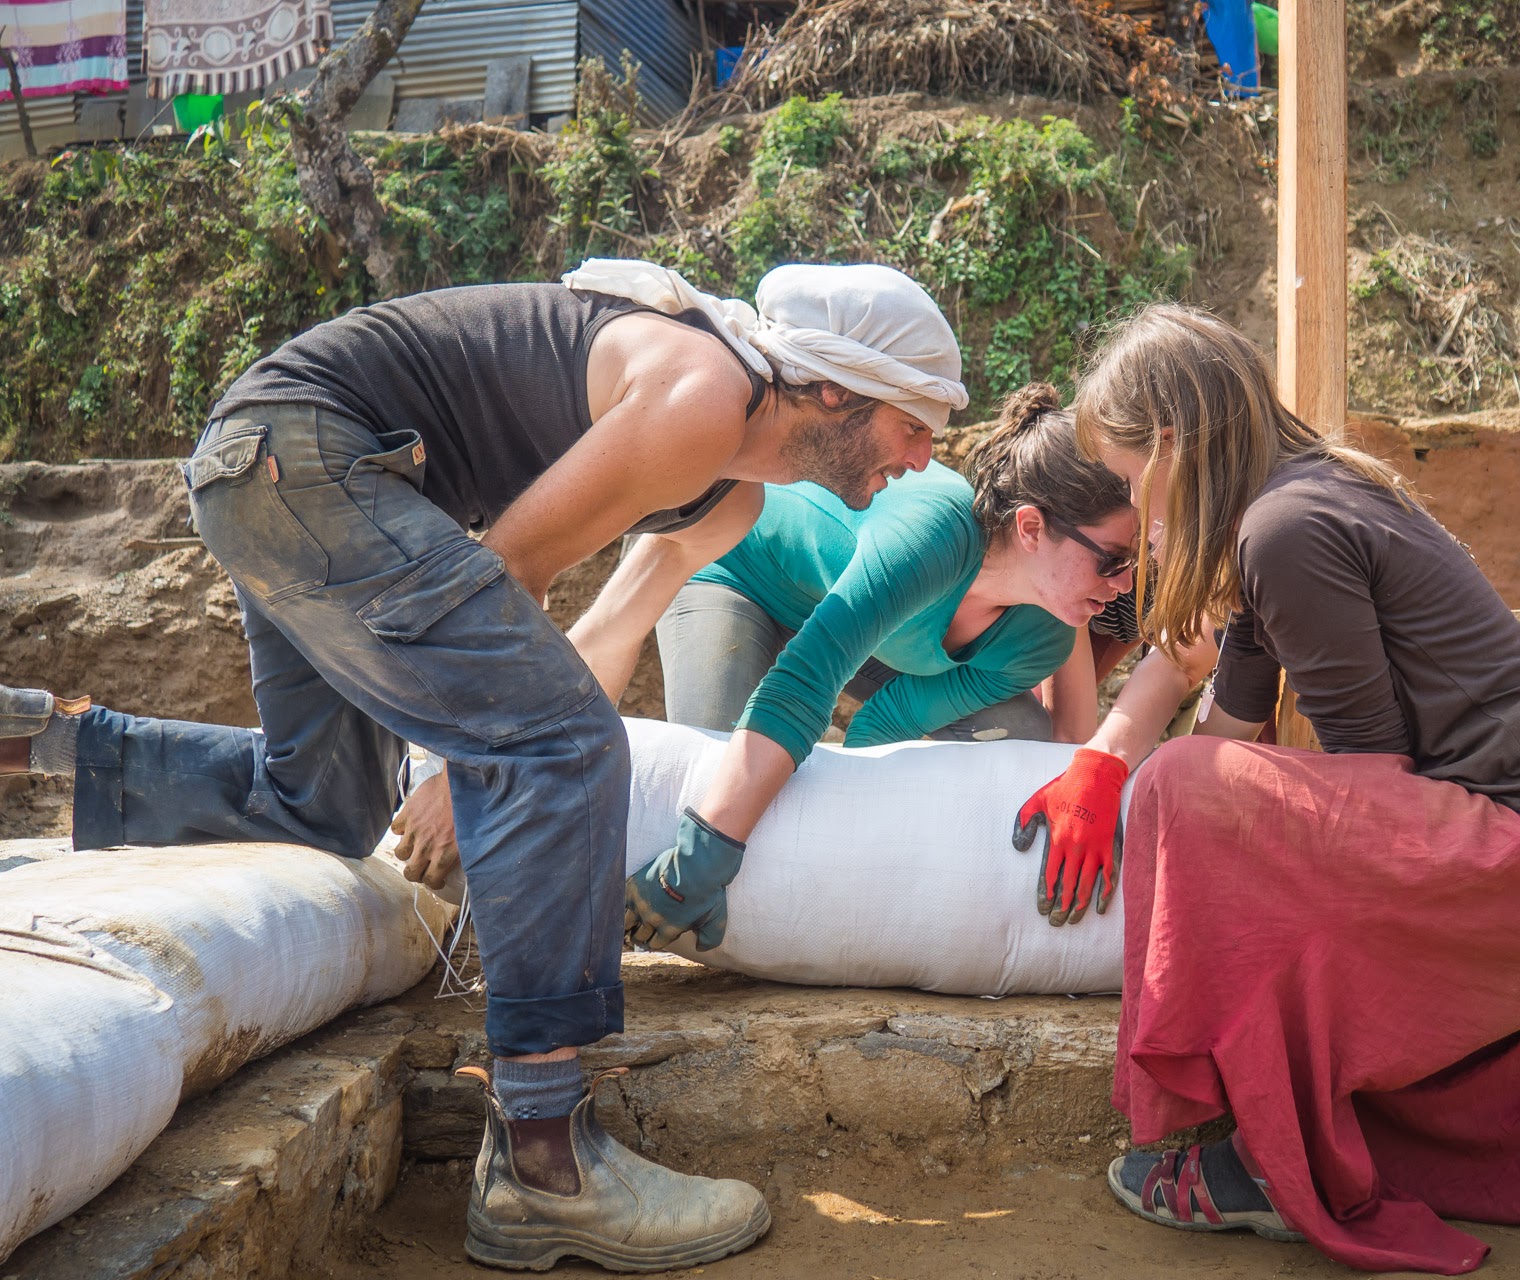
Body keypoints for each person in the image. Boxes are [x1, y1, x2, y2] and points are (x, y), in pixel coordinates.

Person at [0, 260, 969, 1273]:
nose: (924, 457)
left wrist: (500, 750)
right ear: (834, 392)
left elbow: (594, 637)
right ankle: (545, 1161)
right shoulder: (702, 395)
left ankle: (38, 741)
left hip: (267, 471)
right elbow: (511, 572)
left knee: (324, 800)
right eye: (914, 425)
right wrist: (463, 764)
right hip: (313, 454)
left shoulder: (725, 499)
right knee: (562, 743)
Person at [1014, 303, 1520, 1274]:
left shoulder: (1284, 528)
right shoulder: (1296, 504)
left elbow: (1363, 775)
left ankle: (1281, 1166)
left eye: (1130, 475)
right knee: (1186, 788)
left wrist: (1154, 810)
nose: (1138, 505)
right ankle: (1289, 1138)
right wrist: (1107, 779)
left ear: (1175, 442)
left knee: (1181, 789)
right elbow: (1231, 726)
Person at [396, 384, 1144, 935]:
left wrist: (857, 848)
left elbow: (885, 724)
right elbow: (805, 681)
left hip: (862, 630)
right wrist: (703, 855)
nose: (1125, 586)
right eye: (1113, 559)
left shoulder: (1041, 638)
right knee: (712, 771)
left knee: (1015, 729)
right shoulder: (934, 536)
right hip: (735, 570)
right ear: (1031, 528)